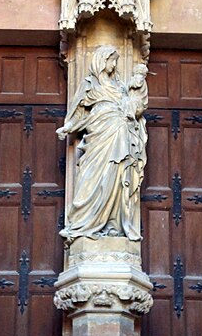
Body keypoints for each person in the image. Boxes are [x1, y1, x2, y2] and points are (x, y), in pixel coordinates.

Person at [56, 45, 147, 241]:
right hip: (98, 136)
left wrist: (138, 94)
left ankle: (112, 224)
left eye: (115, 60)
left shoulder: (121, 86)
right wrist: (67, 127)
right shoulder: (89, 85)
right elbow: (79, 113)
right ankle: (82, 223)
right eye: (111, 60)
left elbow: (135, 107)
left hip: (120, 135)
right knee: (91, 177)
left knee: (116, 177)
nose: (114, 64)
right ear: (101, 60)